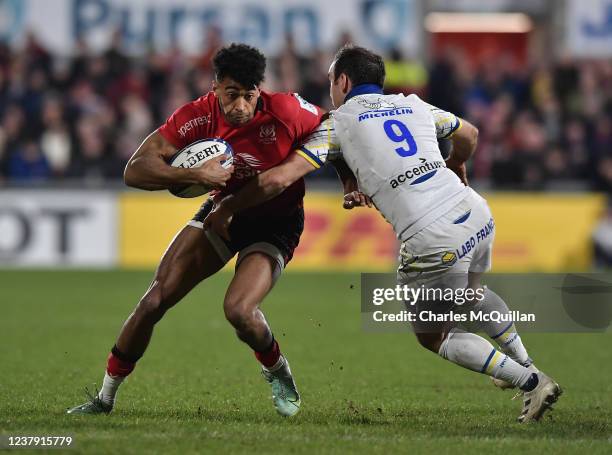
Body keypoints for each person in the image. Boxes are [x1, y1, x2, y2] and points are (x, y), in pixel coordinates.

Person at [203, 45, 563, 423]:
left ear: (342, 81)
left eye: (331, 82)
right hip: (476, 213)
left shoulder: (337, 123)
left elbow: (279, 178)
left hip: (430, 236)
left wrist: (227, 206)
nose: (330, 90)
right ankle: (525, 362)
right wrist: (455, 161)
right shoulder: (415, 104)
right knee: (471, 295)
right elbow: (469, 134)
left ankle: (530, 380)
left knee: (434, 335)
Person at [67, 43, 360, 418]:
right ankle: (104, 399)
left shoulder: (287, 110)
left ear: (261, 90)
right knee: (154, 300)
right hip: (220, 213)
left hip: (276, 222)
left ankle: (277, 369)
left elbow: (333, 133)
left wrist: (349, 182)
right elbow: (135, 169)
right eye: (231, 94)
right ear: (215, 86)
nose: (240, 106)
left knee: (238, 310)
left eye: (249, 96)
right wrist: (193, 175)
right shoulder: (197, 116)